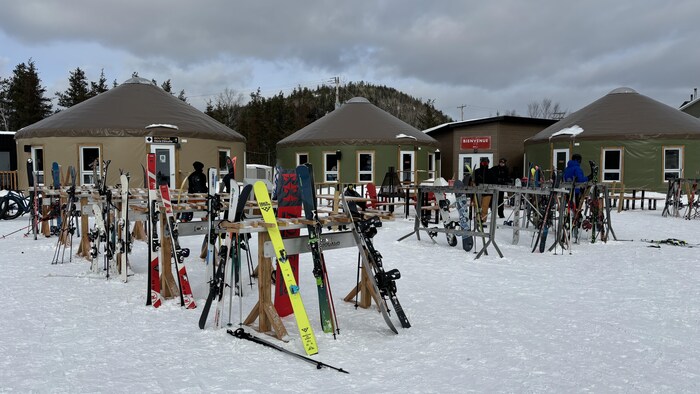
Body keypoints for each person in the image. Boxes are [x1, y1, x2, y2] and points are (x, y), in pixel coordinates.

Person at [473, 157, 495, 224]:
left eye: (486, 162)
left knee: (485, 207)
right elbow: (473, 181)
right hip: (477, 192)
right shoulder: (476, 172)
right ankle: (477, 219)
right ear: (481, 163)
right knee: (477, 206)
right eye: (483, 162)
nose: (484, 164)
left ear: (488, 163)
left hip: (487, 193)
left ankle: (483, 220)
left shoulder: (491, 172)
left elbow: (494, 182)